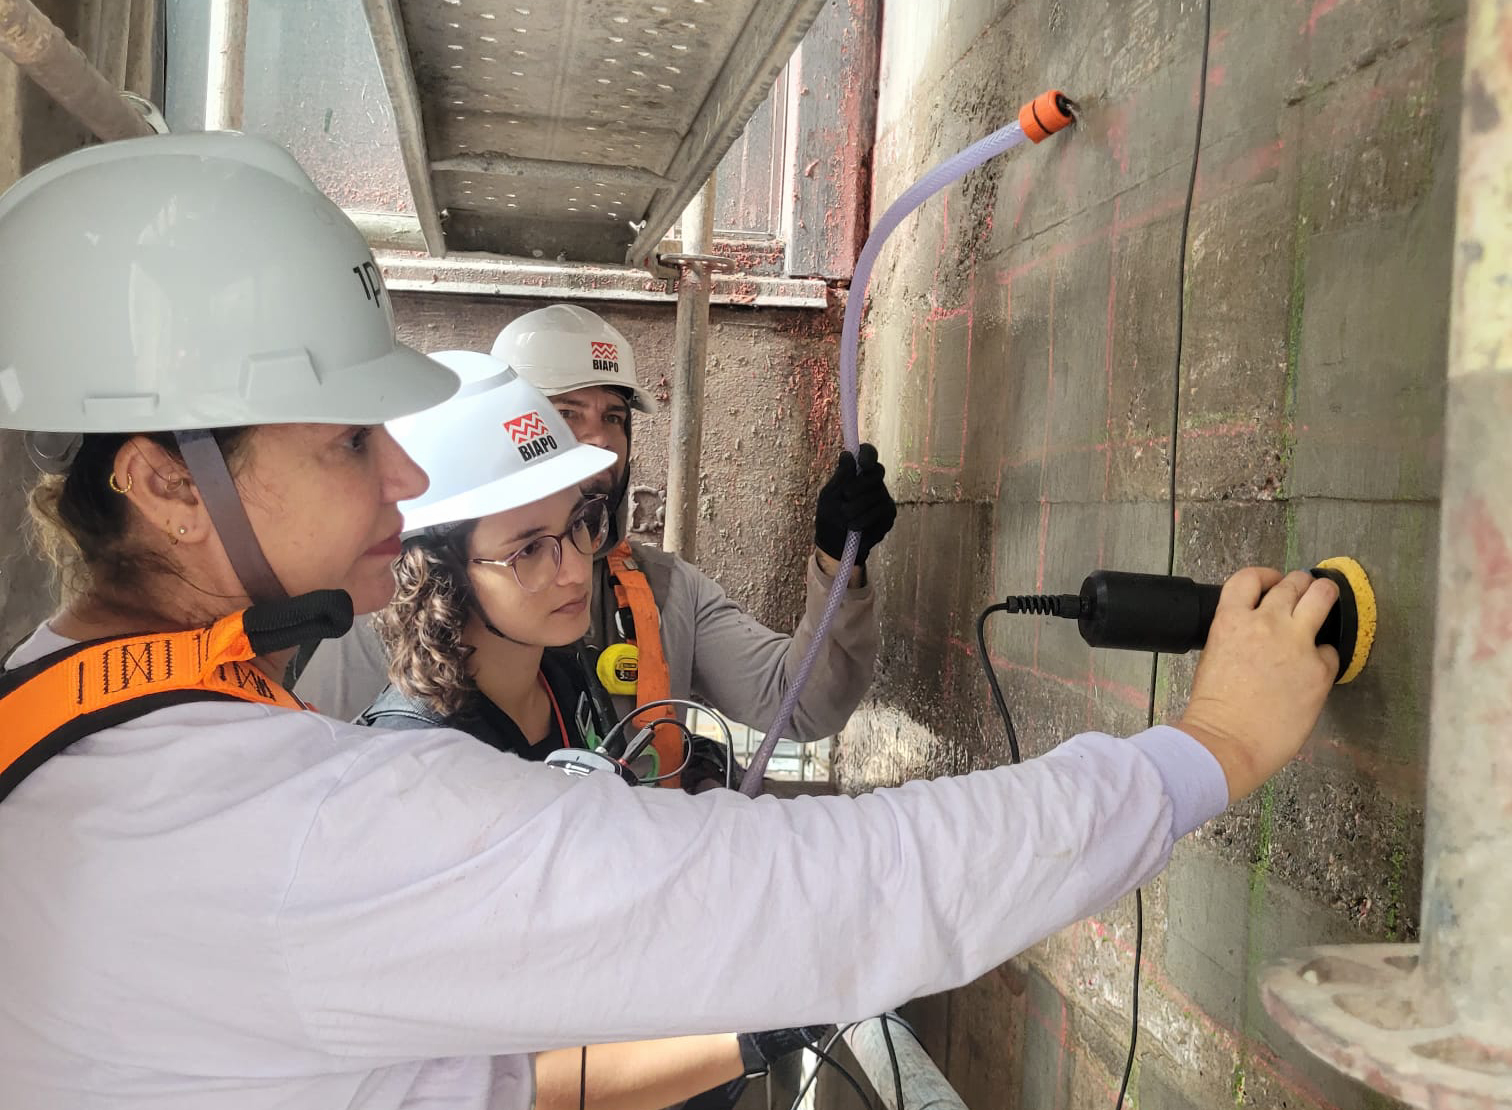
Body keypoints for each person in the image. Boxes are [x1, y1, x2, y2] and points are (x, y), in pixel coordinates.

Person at [0, 131, 1343, 1110]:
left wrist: (841, 568)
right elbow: (832, 891)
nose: (401, 481)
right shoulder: (318, 789)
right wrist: (1205, 746)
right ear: (170, 483)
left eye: (588, 488)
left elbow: (801, 704)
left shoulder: (68, 718)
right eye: (355, 439)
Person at [296, 305, 895, 772]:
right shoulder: (394, 611)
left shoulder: (660, 594)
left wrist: (839, 557)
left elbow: (803, 701)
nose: (601, 442)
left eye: (613, 416)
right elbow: (317, 768)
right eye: (567, 414)